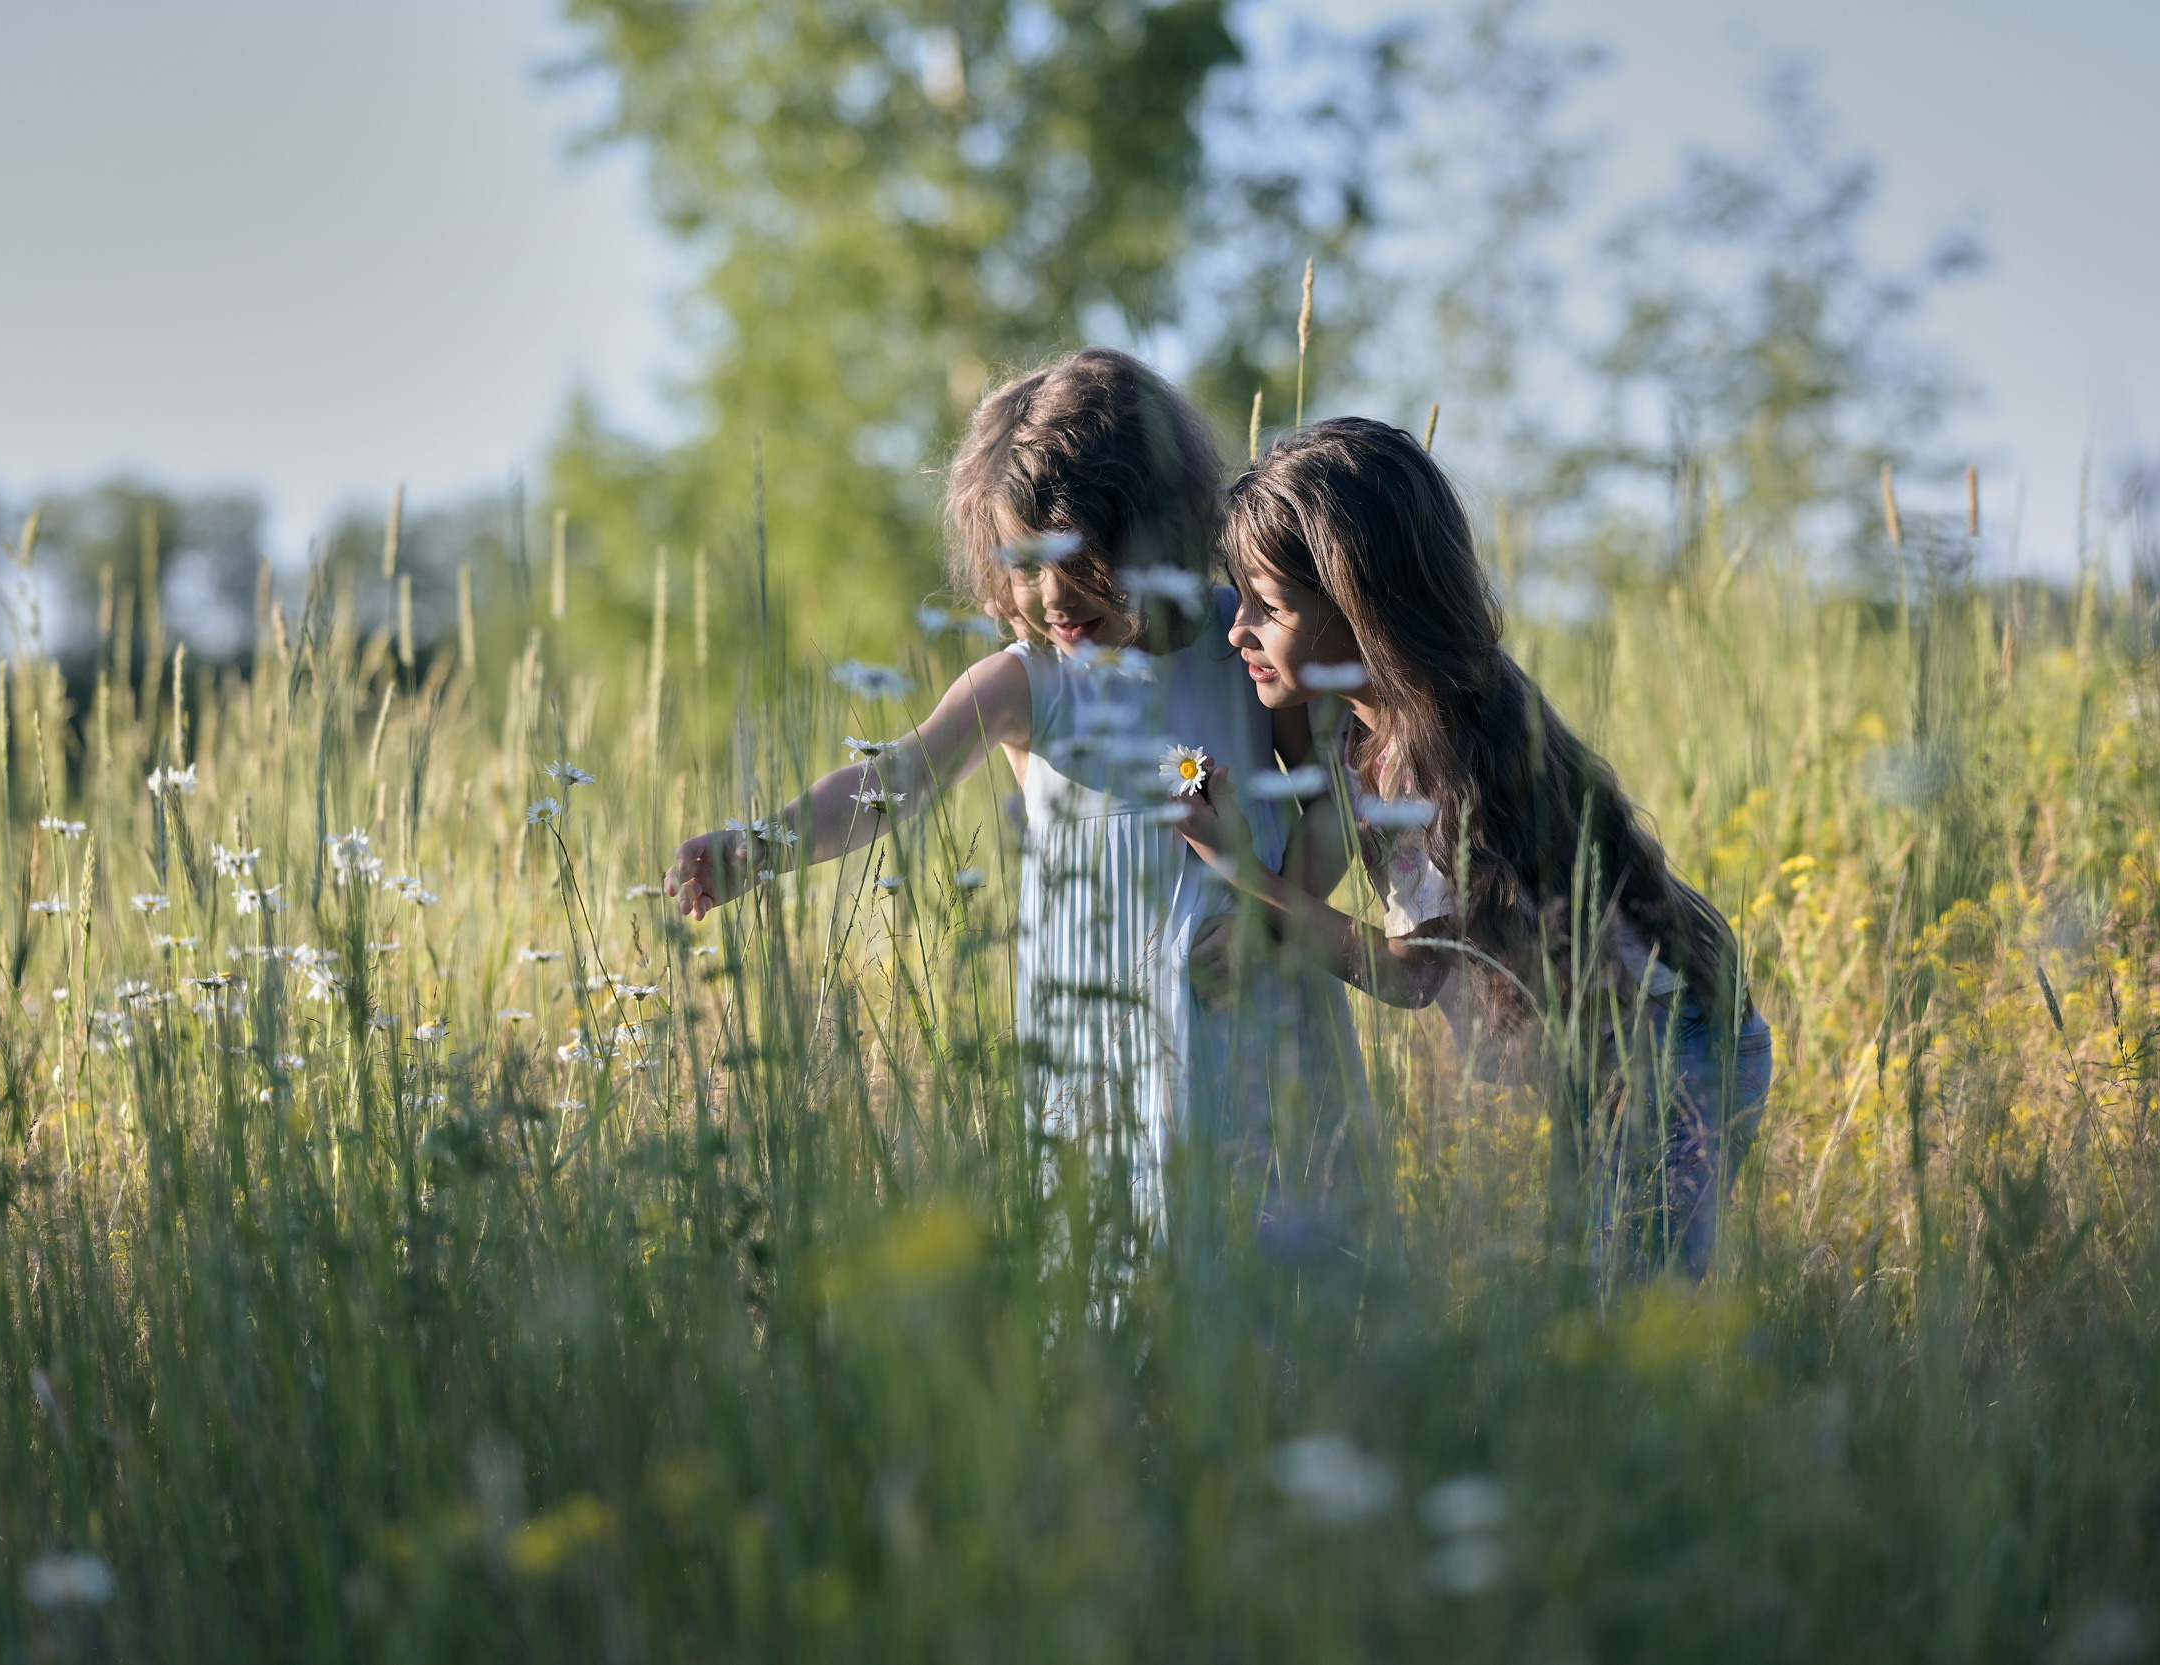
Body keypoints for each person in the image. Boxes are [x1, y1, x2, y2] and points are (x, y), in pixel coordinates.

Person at [662, 348, 1370, 1249]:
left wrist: (1275, 923)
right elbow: (892, 782)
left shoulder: (1246, 644)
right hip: (1107, 1053)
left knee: (1283, 1283)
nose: (1047, 596)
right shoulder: (1026, 685)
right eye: (1021, 565)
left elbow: (1330, 807)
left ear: (1155, 529)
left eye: (1076, 562)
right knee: (1128, 1289)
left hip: (1260, 1018)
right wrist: (765, 842)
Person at [1170, 416, 1770, 1279]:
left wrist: (1242, 875)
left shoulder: (1436, 758)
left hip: (1678, 1053)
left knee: (1634, 1309)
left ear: (1359, 605)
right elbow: (1308, 776)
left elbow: (1412, 974)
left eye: (1266, 607)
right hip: (1600, 1060)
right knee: (1585, 1288)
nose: (1238, 632)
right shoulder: (1365, 703)